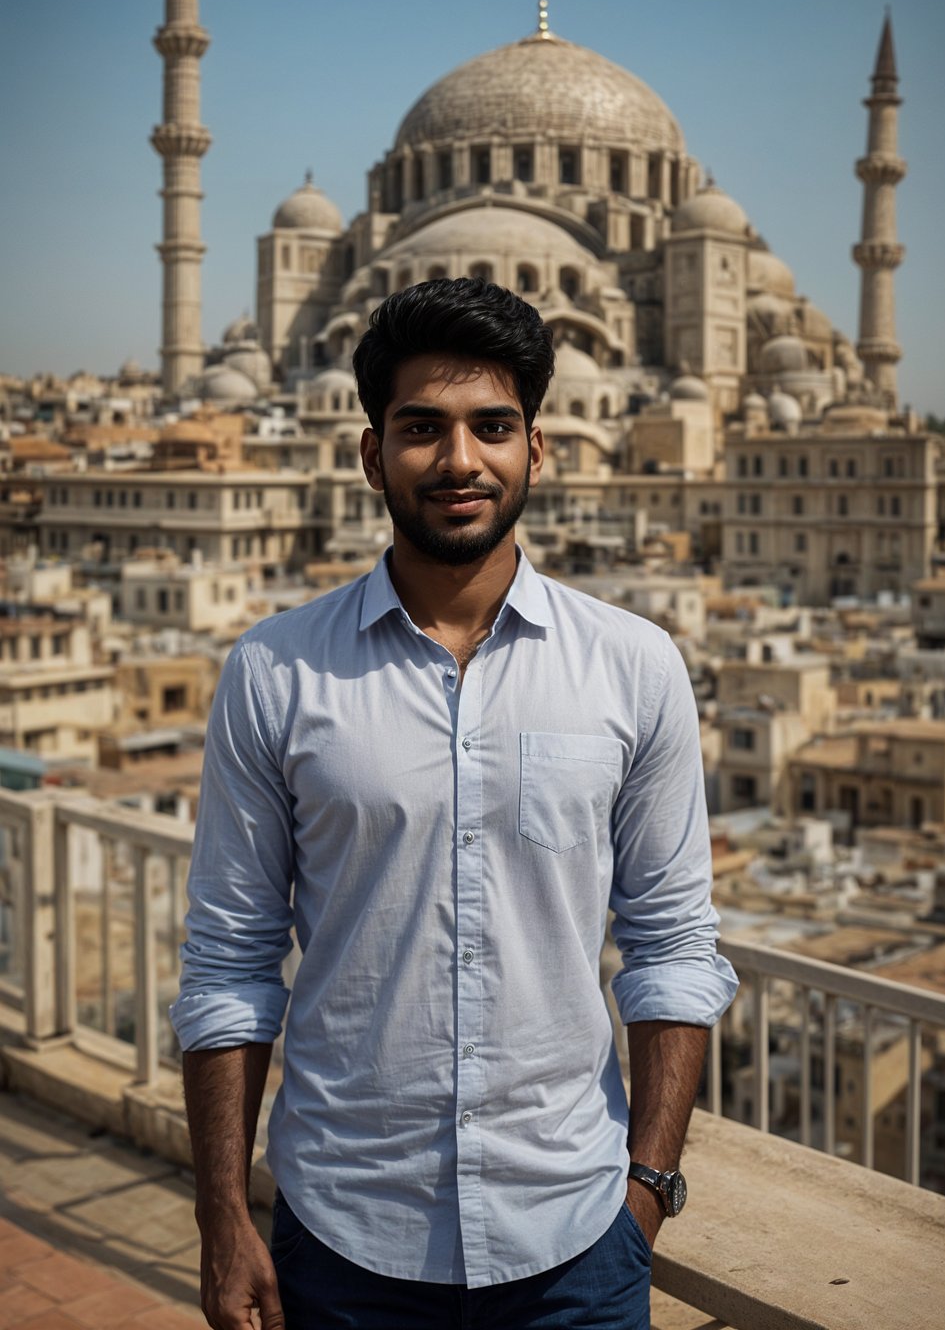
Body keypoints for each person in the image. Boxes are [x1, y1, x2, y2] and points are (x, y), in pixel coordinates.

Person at [171, 277, 737, 1330]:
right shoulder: (276, 672)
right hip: (344, 1239)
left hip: (574, 1242)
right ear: (372, 454)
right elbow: (230, 961)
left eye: (493, 427)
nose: (460, 460)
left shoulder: (634, 666)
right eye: (422, 428)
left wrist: (645, 1192)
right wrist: (220, 1215)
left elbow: (672, 945)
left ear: (538, 449)